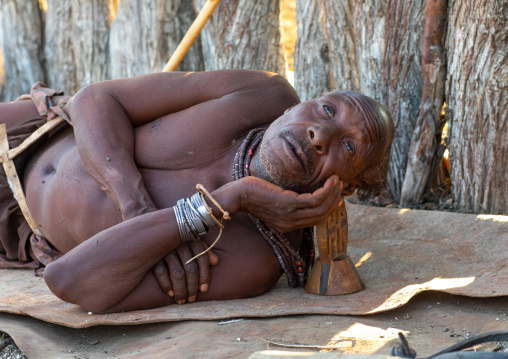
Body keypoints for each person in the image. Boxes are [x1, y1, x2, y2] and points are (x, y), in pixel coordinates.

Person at [0, 69, 393, 313]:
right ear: (298, 105)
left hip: (13, 227)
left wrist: (229, 200)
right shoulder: (264, 95)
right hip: (29, 132)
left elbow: (70, 280)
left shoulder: (256, 260)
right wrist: (138, 211)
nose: (319, 135)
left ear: (345, 187)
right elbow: (94, 100)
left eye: (348, 147)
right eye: (326, 110)